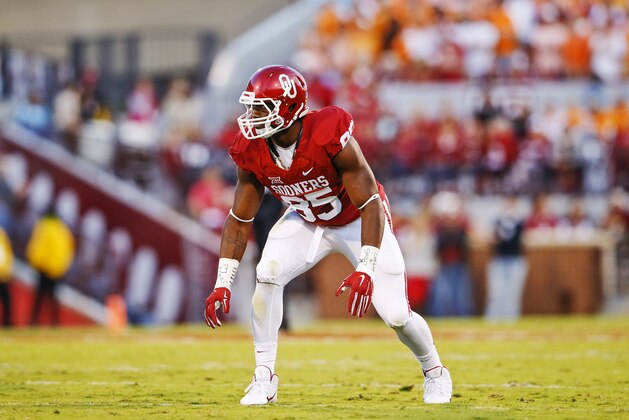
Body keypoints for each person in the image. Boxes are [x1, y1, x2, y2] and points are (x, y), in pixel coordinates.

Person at [204, 65, 452, 405]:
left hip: (357, 218)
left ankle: (435, 372)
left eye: (262, 108)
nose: (252, 116)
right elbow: (238, 218)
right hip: (306, 220)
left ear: (289, 108)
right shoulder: (251, 149)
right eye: (251, 107)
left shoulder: (328, 131)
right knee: (268, 272)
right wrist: (223, 282)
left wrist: (365, 267)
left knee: (395, 314)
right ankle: (264, 377)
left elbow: (370, 204)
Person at [27, 207, 75, 326]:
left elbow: (39, 246)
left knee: (40, 297)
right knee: (52, 297)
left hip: (44, 267)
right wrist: (62, 268)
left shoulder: (45, 226)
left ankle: (34, 321)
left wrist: (35, 262)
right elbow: (69, 251)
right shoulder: (64, 230)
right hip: (57, 270)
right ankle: (54, 323)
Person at [484, 195, 528, 321]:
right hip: (499, 260)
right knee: (496, 293)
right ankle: (493, 319)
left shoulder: (519, 222)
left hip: (515, 260)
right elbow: (492, 240)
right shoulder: (498, 222)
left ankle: (511, 320)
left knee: (513, 294)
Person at [0, 226, 13, 327]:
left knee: (7, 302)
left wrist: (7, 271)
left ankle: (7, 324)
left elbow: (7, 253)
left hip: (2, 276)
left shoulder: (2, 234)